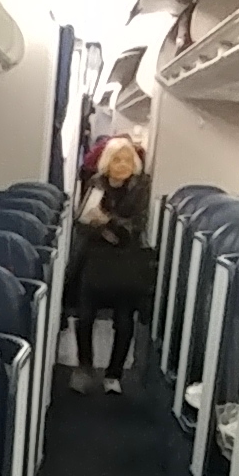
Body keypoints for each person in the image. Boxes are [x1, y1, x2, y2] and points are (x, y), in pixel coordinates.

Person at [71, 135, 155, 394]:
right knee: (85, 316)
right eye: (117, 159)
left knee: (124, 319)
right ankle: (84, 367)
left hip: (126, 260)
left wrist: (106, 221)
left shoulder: (141, 187)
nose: (122, 165)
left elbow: (135, 226)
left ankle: (114, 374)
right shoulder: (96, 183)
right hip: (95, 257)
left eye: (127, 160)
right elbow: (83, 222)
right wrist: (107, 230)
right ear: (107, 162)